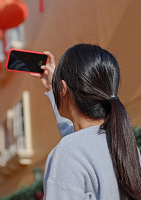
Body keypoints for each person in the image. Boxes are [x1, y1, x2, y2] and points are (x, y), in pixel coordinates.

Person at [31, 44, 141, 200]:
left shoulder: (69, 151)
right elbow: (83, 138)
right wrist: (52, 86)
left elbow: (79, 144)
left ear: (63, 89)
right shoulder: (127, 148)